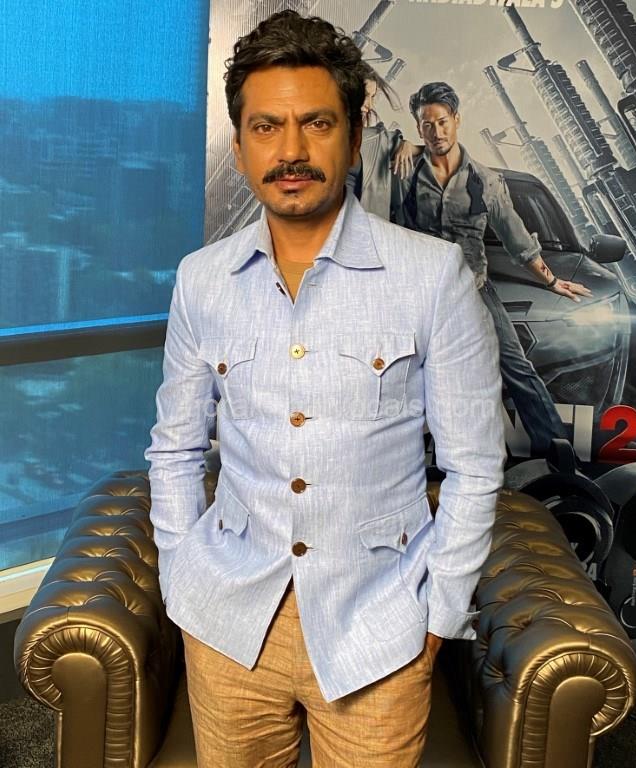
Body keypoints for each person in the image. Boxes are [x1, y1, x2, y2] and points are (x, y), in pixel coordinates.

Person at [145, 13, 505, 768]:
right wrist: (181, 574)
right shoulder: (200, 281)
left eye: (316, 123)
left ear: (354, 132)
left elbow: (474, 467)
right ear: (239, 145)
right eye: (266, 127)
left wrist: (436, 617)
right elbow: (174, 450)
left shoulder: (431, 276)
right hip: (228, 620)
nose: (291, 151)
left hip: (379, 625)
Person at [394, 81, 592, 457]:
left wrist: (552, 281)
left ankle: (559, 453)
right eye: (426, 124)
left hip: (475, 290)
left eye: (442, 122)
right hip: (422, 296)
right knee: (407, 375)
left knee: (518, 369)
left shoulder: (484, 181)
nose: (436, 132)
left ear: (456, 120)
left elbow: (518, 240)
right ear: (418, 127)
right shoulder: (404, 173)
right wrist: (401, 144)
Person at [348, 62, 419, 217]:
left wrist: (407, 145)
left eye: (372, 97)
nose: (369, 105)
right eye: (365, 95)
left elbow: (430, 151)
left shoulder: (378, 138)